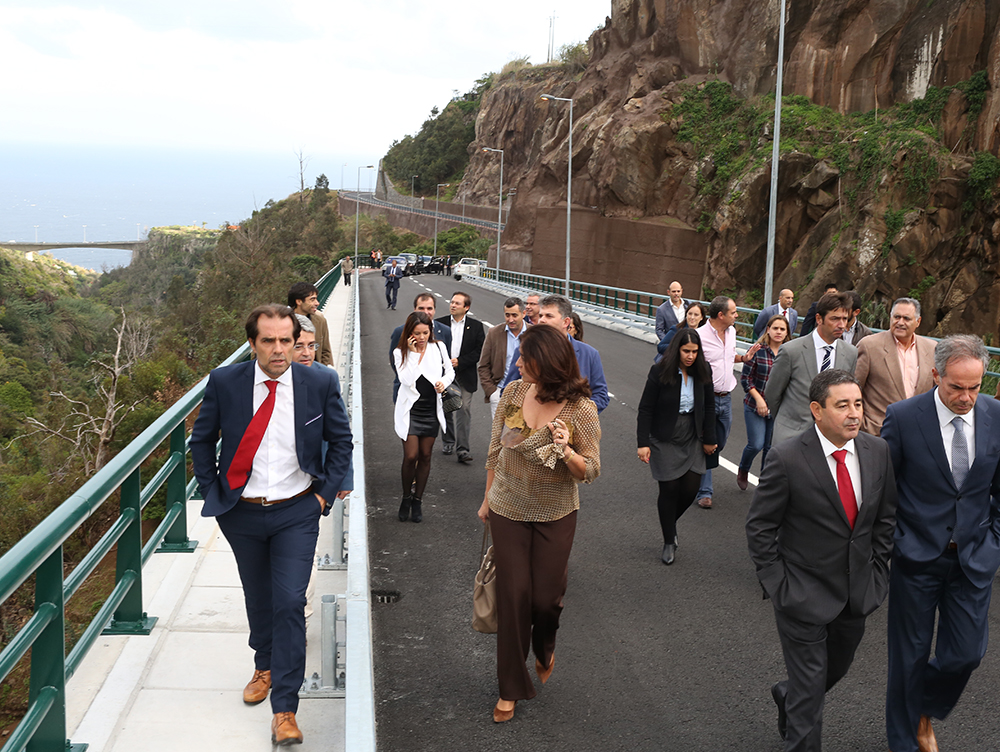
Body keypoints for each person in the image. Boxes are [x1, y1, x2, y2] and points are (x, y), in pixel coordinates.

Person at [190, 304, 353, 746]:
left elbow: (341, 441)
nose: (280, 350)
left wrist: (322, 496)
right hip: (240, 512)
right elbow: (201, 441)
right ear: (252, 343)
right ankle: (263, 664)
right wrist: (213, 493)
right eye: (269, 341)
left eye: (287, 340)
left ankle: (285, 708)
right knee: (259, 596)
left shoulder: (319, 382)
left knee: (290, 601)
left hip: (296, 510)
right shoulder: (226, 382)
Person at [746, 369, 898, 752]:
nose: (854, 413)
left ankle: (788, 693)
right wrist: (778, 584)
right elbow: (760, 527)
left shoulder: (877, 451)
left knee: (833, 670)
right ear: (817, 410)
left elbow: (885, 517)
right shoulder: (786, 458)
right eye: (842, 405)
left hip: (857, 592)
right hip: (802, 594)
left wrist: (878, 571)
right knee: (811, 690)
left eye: (858, 404)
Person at [477, 324, 601, 723]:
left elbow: (590, 470)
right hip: (507, 507)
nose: (516, 364)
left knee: (545, 599)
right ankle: (510, 687)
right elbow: (495, 450)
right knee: (513, 595)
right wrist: (487, 498)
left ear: (545, 363)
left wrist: (565, 450)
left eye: (524, 359)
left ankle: (545, 646)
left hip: (556, 511)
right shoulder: (513, 393)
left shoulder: (580, 409)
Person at [881, 335, 1000, 752]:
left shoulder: (996, 415)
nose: (966, 397)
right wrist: (896, 542)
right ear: (936, 375)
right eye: (956, 387)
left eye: (975, 387)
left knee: (965, 654)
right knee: (908, 658)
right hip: (916, 557)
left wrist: (994, 542)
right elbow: (884, 490)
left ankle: (922, 707)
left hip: (974, 557)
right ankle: (904, 742)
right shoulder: (903, 417)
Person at [637, 329, 717, 565]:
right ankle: (669, 540)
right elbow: (646, 408)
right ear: (676, 350)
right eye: (686, 351)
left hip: (692, 433)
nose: (690, 356)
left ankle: (669, 524)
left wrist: (710, 438)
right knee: (669, 488)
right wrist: (643, 443)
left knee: (691, 488)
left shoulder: (704, 370)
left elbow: (709, 406)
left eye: (695, 351)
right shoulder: (660, 371)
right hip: (664, 435)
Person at [693, 296, 761, 509]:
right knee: (708, 443)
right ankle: (704, 491)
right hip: (706, 398)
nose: (737, 315)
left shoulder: (731, 332)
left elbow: (728, 356)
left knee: (719, 443)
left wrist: (744, 358)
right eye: (733, 312)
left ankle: (695, 467)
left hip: (726, 397)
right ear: (721, 315)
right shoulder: (699, 336)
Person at [765, 292, 858, 446]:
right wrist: (786, 422)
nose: (841, 325)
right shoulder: (791, 351)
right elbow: (772, 393)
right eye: (835, 319)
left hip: (831, 439)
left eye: (845, 319)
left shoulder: (850, 353)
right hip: (792, 437)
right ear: (819, 319)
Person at [392, 311, 454, 523]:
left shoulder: (439, 347)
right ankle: (405, 497)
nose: (421, 337)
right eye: (417, 333)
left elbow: (450, 372)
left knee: (426, 455)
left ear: (431, 331)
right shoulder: (400, 352)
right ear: (409, 333)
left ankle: (417, 500)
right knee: (411, 456)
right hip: (410, 410)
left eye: (425, 333)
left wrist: (443, 383)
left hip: (431, 410)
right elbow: (406, 380)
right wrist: (413, 355)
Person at [501, 295, 609, 413]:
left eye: (549, 316)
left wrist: (574, 414)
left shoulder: (589, 354)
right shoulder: (524, 350)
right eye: (541, 315)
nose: (542, 320)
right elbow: (507, 392)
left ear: (566, 322)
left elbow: (600, 395)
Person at [855, 297, 936, 436]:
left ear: (918, 322)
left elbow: (936, 392)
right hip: (878, 432)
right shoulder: (869, 346)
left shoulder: (932, 348)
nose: (900, 322)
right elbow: (853, 389)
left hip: (918, 432)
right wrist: (862, 424)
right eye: (897, 317)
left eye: (906, 318)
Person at [737, 314, 790, 490]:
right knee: (756, 444)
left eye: (782, 329)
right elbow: (746, 379)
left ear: (787, 333)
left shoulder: (789, 353)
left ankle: (764, 483)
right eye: (775, 328)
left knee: (770, 448)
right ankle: (744, 468)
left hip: (777, 408)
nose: (778, 332)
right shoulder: (758, 350)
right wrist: (759, 400)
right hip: (754, 405)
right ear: (768, 330)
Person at [436, 292, 485, 463]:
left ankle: (463, 449)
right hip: (445, 374)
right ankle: (448, 441)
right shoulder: (439, 324)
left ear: (466, 307)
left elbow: (479, 351)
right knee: (447, 408)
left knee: (463, 408)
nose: (453, 305)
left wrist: (461, 361)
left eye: (457, 303)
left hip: (465, 374)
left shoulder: (476, 326)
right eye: (452, 302)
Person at [390, 294, 452, 404]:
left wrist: (442, 382)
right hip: (409, 394)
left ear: (434, 310)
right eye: (421, 308)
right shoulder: (400, 332)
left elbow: (447, 365)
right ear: (415, 309)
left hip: (436, 395)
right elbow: (395, 362)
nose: (425, 312)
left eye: (429, 308)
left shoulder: (445, 332)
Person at [478, 297, 527, 420]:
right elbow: (483, 365)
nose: (510, 319)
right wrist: (492, 392)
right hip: (500, 393)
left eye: (514, 315)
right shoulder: (494, 333)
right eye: (507, 315)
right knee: (499, 431)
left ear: (524, 313)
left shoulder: (535, 333)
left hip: (527, 395)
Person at [288, 282, 333, 366]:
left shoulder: (320, 321)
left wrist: (321, 369)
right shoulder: (284, 322)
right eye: (312, 300)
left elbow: (326, 351)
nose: (317, 303)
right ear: (299, 301)